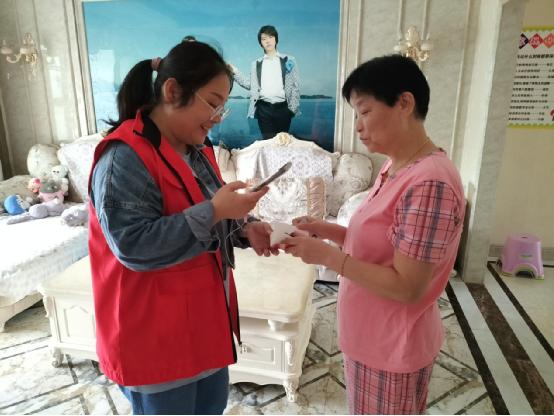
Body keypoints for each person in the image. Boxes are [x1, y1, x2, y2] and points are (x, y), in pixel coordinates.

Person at [88, 41, 277, 415]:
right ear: (173, 91)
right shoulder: (123, 157)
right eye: (212, 103)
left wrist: (245, 228)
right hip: (154, 339)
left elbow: (213, 213)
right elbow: (133, 245)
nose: (218, 117)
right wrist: (216, 210)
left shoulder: (197, 152)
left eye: (223, 107)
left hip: (204, 326)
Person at [282, 54, 466, 414]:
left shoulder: (429, 183)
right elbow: (378, 244)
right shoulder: (396, 167)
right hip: (372, 338)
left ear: (404, 103)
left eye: (364, 112)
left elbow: (408, 286)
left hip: (393, 347)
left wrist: (327, 257)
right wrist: (324, 229)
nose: (358, 127)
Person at [230, 25, 300, 139]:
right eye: (264, 39)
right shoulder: (256, 64)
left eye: (271, 37)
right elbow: (250, 84)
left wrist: (292, 110)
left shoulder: (289, 60)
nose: (268, 41)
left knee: (282, 142)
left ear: (276, 39)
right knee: (268, 142)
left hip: (284, 109)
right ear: (260, 43)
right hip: (264, 109)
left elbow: (295, 86)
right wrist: (234, 71)